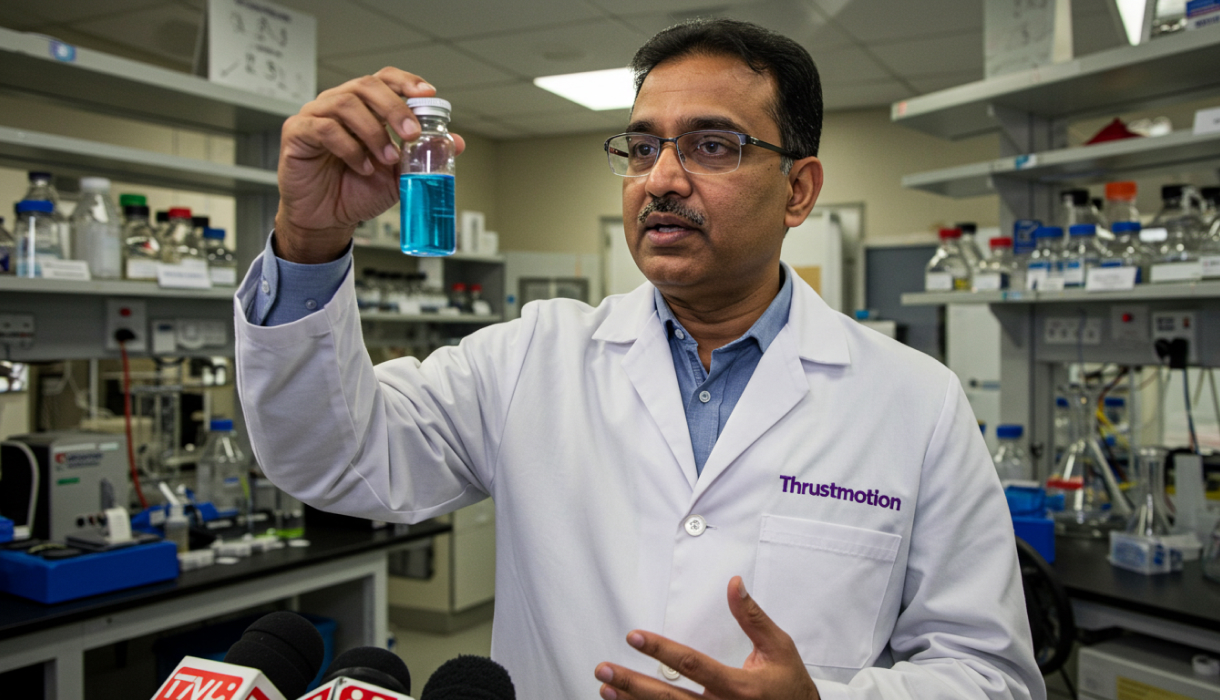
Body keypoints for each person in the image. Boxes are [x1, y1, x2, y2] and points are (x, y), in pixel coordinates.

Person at [235, 18, 1043, 700]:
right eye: (643, 146)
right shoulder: (530, 359)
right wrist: (309, 239)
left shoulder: (914, 400)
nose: (660, 179)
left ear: (799, 190)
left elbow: (989, 672)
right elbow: (331, 459)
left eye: (712, 146)